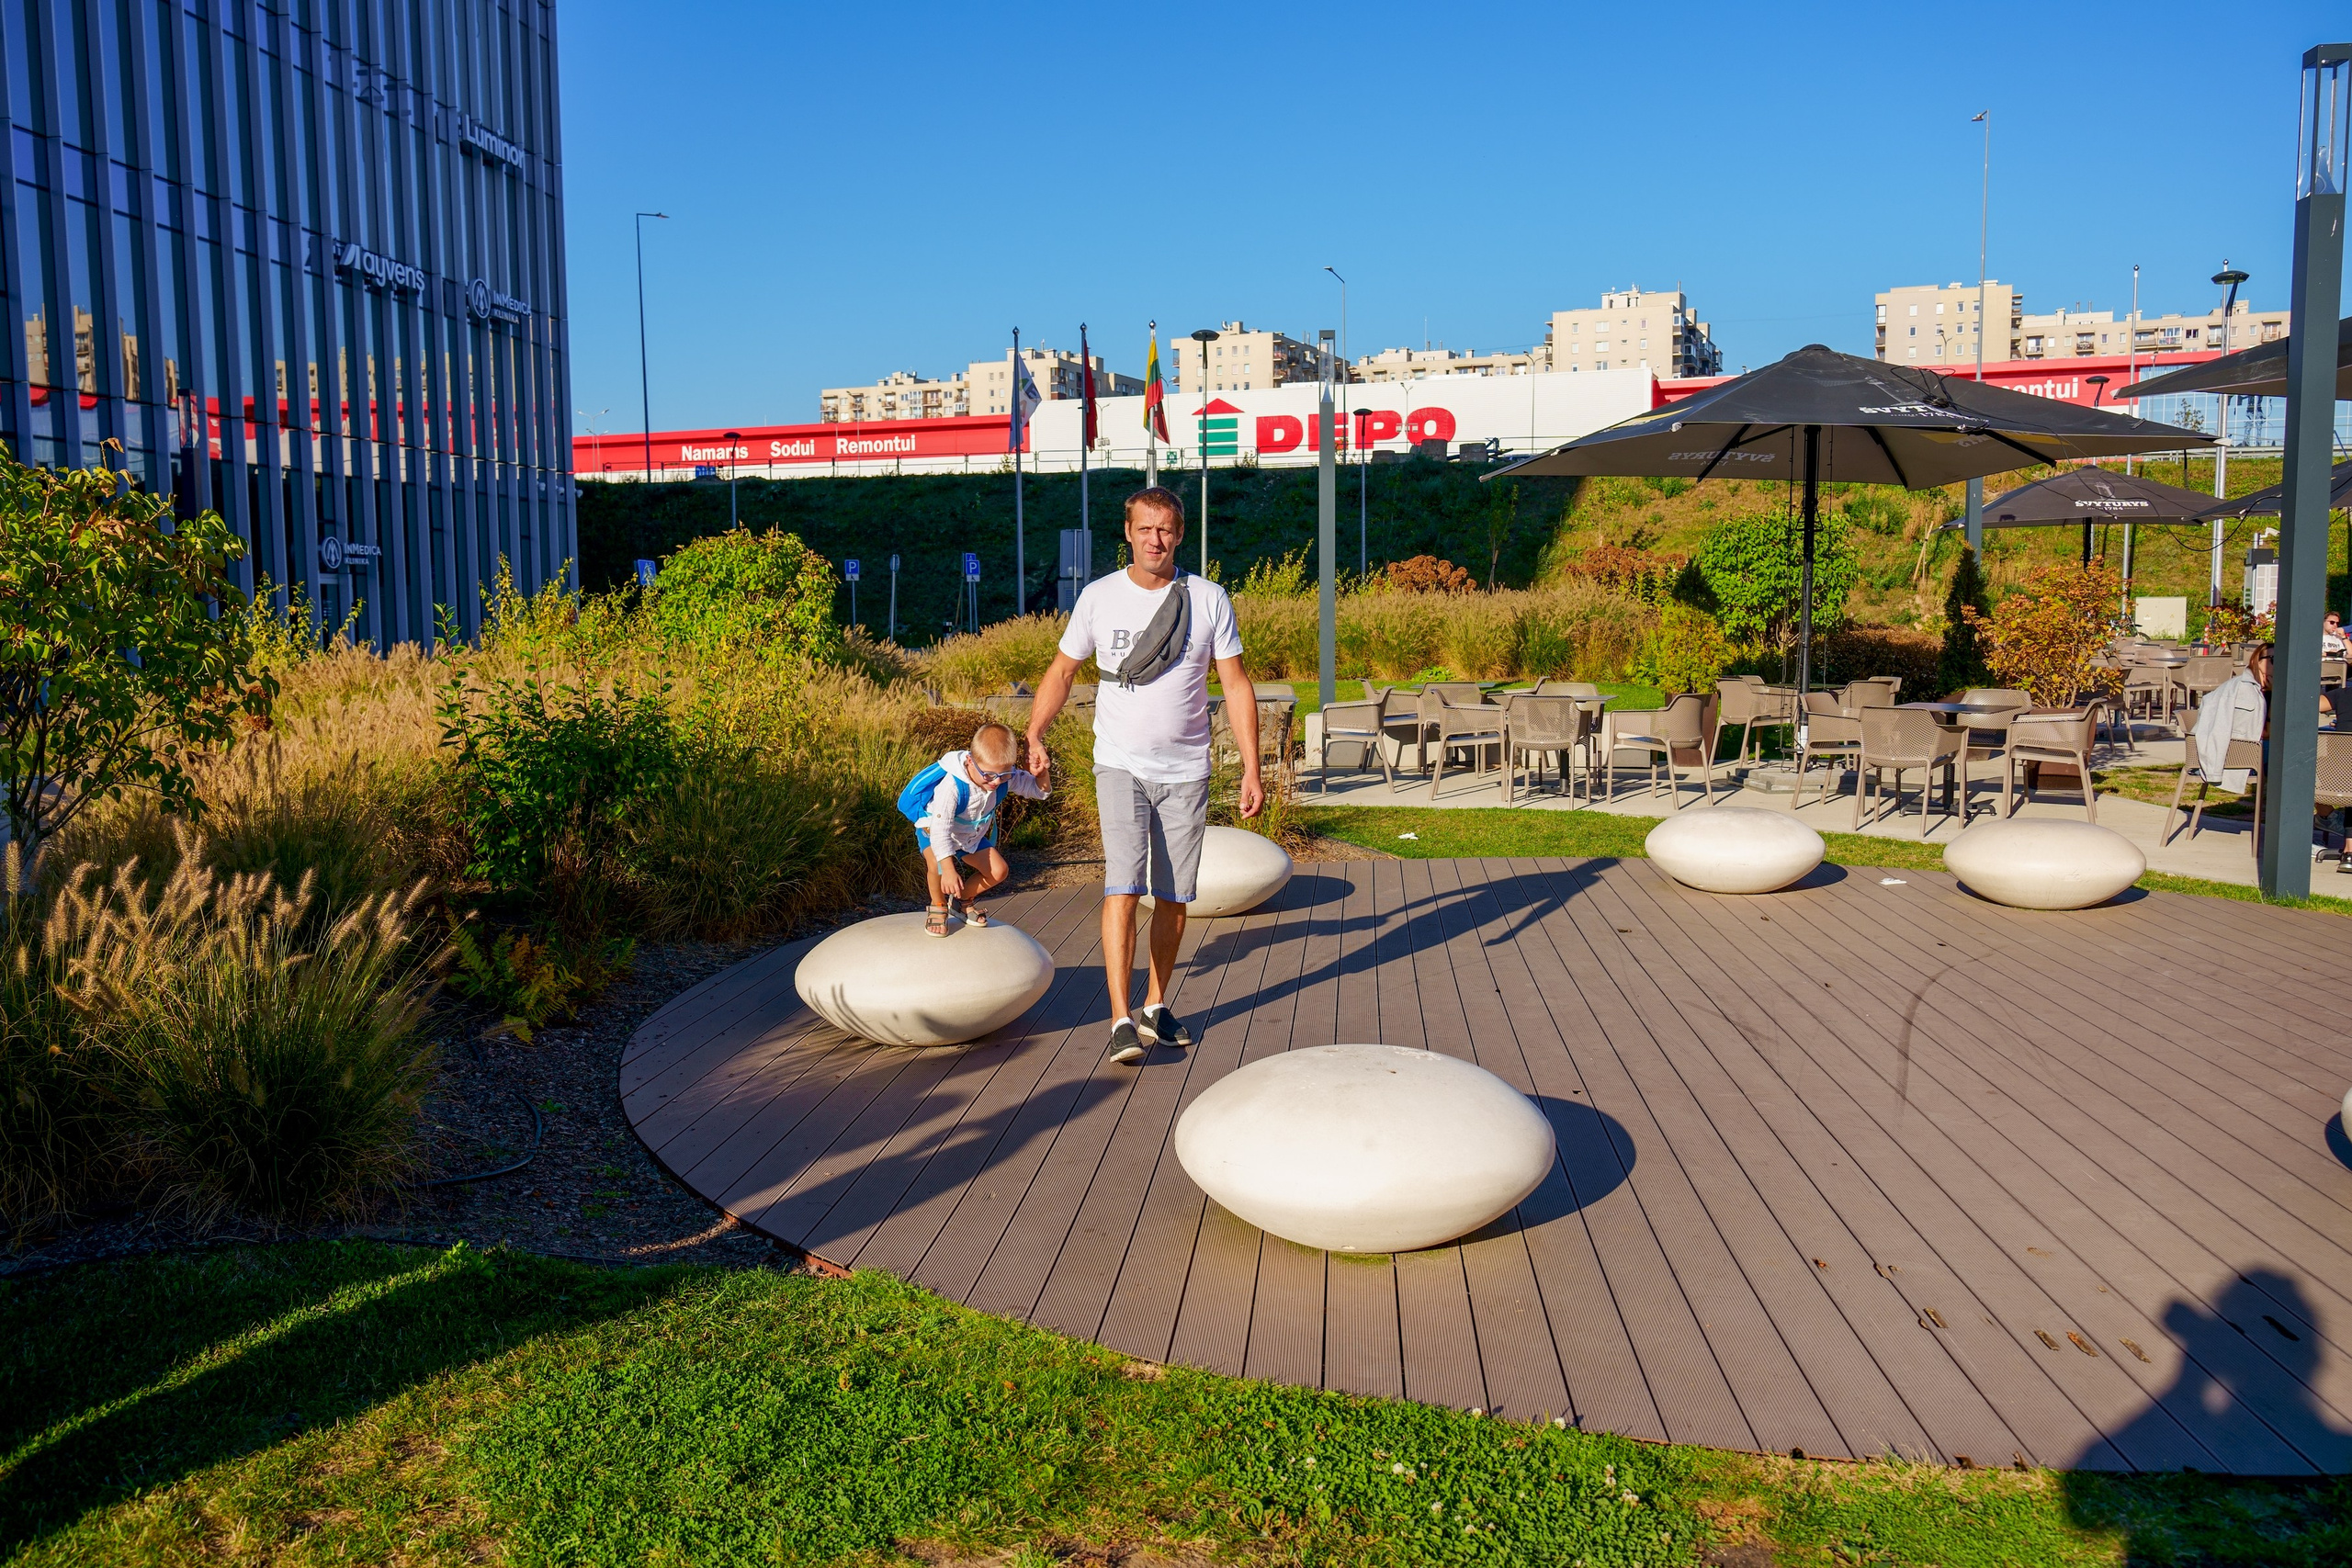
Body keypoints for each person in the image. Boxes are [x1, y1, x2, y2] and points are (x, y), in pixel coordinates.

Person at [1025, 485, 1261, 1066]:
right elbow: (1062, 670)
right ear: (1127, 533)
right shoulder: (1099, 597)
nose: (1155, 540)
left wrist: (1252, 767)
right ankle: (1120, 1018)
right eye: (1145, 529)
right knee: (1122, 888)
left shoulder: (1207, 599)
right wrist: (1034, 735)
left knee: (1175, 897)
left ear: (1180, 535)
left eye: (1166, 530)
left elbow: (1234, 683)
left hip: (1187, 769)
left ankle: (1157, 1004)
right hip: (1120, 764)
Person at [900, 720, 1047, 937]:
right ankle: (938, 905)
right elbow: (941, 830)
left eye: (1004, 775)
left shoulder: (1002, 775)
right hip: (937, 832)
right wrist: (949, 869)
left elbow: (1039, 792)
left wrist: (1041, 773)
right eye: (989, 775)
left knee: (999, 871)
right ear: (970, 761)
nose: (996, 782)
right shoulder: (952, 786)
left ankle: (961, 902)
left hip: (970, 836)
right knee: (937, 866)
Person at [2190, 643, 2268, 795]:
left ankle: (2324, 816)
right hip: (2238, 759)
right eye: (2272, 659)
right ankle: (2324, 817)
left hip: (2247, 753)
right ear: (2257, 661)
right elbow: (2216, 729)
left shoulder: (2265, 691)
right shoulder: (2240, 689)